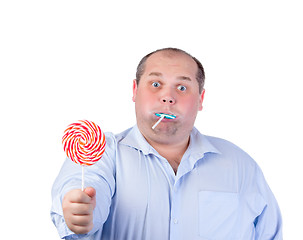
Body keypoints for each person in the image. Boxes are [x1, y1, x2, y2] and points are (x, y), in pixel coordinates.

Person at [51, 48, 282, 239]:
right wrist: (78, 210)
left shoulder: (240, 165)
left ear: (200, 99)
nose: (168, 97)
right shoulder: (103, 152)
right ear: (135, 90)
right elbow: (86, 187)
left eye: (182, 88)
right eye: (155, 84)